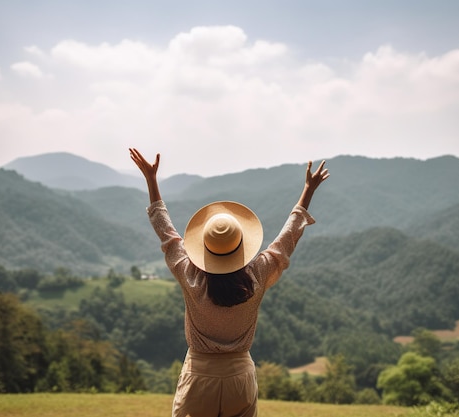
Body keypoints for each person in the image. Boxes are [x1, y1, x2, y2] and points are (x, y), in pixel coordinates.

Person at [129, 148, 329, 417]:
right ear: (242, 246)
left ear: (204, 248)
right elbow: (287, 238)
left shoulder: (190, 274)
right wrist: (308, 190)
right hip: (240, 377)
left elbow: (167, 234)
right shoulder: (256, 276)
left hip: (199, 376)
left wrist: (151, 180)